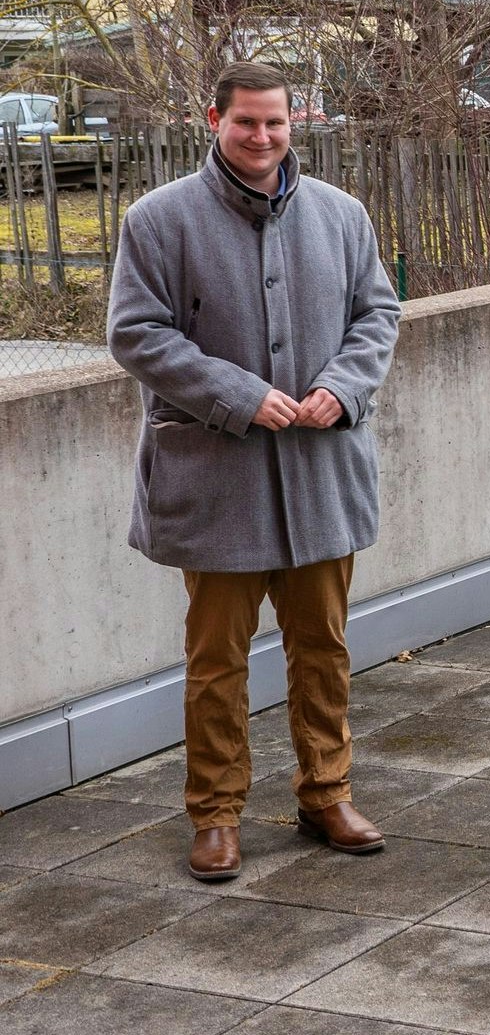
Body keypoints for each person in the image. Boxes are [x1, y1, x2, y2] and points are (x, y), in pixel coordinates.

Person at [105, 61, 401, 882]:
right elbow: (136, 334)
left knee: (324, 649)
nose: (262, 137)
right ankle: (216, 814)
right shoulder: (158, 219)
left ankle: (325, 793)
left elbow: (378, 312)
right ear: (214, 118)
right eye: (246, 123)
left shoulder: (343, 216)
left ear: (294, 121)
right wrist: (239, 395)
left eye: (276, 122)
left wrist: (341, 388)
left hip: (320, 473)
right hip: (216, 483)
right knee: (216, 665)